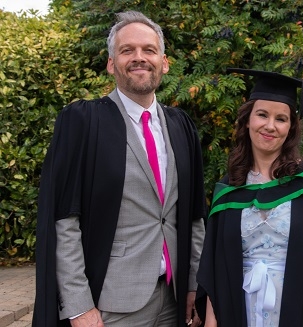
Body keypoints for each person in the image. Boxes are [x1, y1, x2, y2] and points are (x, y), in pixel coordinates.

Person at [32, 11, 206, 327]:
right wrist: (78, 306)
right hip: (112, 305)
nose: (139, 58)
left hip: (174, 298)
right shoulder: (84, 122)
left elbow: (193, 216)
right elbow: (64, 220)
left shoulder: (180, 127)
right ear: (112, 64)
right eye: (127, 50)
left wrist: (195, 284)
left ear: (164, 62)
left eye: (149, 50)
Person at [196, 68, 303, 327]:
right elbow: (215, 269)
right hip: (237, 313)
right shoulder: (229, 189)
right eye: (262, 115)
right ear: (248, 120)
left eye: (281, 118)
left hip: (302, 315)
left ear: (291, 127)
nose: (270, 126)